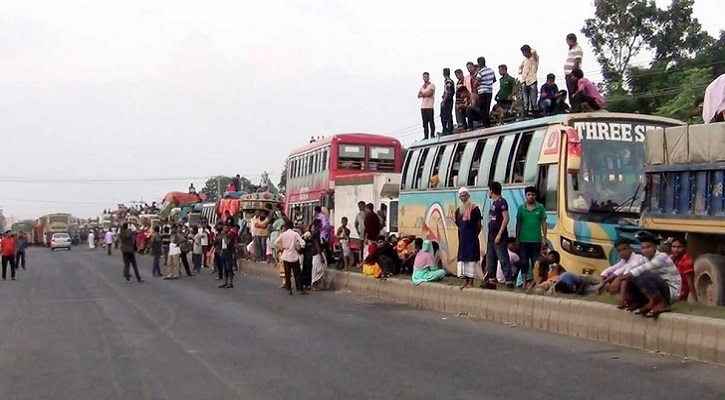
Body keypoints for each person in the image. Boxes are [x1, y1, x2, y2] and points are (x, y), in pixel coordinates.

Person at [610, 233, 681, 318]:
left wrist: (619, 279)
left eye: (648, 247)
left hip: (670, 291)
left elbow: (641, 269)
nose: (646, 250)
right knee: (631, 277)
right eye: (643, 248)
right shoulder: (644, 259)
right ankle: (636, 302)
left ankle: (662, 304)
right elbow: (628, 271)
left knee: (643, 274)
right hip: (659, 290)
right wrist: (622, 295)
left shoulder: (662, 257)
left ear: (655, 247)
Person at [516, 186, 547, 288]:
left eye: (533, 194)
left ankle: (534, 282)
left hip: (536, 240)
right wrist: (517, 239)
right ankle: (524, 282)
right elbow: (518, 224)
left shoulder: (540, 208)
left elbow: (543, 223)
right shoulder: (521, 208)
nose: (531, 197)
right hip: (523, 240)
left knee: (535, 263)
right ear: (525, 196)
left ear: (536, 196)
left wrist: (544, 238)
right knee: (524, 262)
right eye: (528, 194)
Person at [485, 182, 513, 289]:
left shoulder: (502, 202)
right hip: (491, 235)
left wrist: (500, 234)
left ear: (492, 190)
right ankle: (491, 280)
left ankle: (509, 280)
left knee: (502, 257)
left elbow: (506, 218)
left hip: (499, 236)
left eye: (489, 189)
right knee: (490, 258)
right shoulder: (493, 203)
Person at [454, 187, 482, 290]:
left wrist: (474, 234)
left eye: (465, 195)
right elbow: (458, 224)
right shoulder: (458, 212)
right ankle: (464, 281)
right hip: (462, 240)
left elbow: (479, 224)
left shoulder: (475, 209)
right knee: (463, 260)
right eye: (461, 196)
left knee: (471, 259)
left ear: (468, 196)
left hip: (472, 238)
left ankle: (471, 282)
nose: (463, 198)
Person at [274, 219, 307, 295]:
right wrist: (299, 248)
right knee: (297, 273)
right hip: (294, 256)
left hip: (285, 255)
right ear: (292, 226)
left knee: (287, 273)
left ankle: (288, 288)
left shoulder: (283, 234)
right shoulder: (295, 234)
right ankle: (300, 288)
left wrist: (282, 248)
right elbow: (303, 243)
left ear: (286, 226)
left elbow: (276, 243)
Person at [670, 237, 697, 302]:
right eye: (673, 247)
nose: (676, 249)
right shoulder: (671, 258)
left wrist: (695, 300)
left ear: (685, 248)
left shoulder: (686, 260)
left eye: (679, 247)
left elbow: (690, 282)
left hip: (681, 292)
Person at [474, 57, 496, 127]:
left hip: (482, 91)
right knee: (487, 107)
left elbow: (476, 83)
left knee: (482, 109)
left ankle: (485, 124)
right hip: (489, 91)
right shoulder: (491, 70)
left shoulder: (480, 72)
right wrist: (488, 82)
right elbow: (494, 80)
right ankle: (488, 123)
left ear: (479, 63)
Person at [518, 45, 540, 116]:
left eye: (525, 52)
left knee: (533, 101)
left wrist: (530, 50)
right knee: (525, 101)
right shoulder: (524, 60)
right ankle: (526, 114)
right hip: (524, 81)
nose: (524, 54)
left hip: (532, 80)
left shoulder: (534, 58)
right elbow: (519, 67)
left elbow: (535, 51)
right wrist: (521, 72)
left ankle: (535, 114)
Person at [564, 33, 583, 105]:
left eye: (567, 41)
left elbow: (577, 61)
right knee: (570, 91)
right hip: (568, 73)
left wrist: (574, 74)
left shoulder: (577, 48)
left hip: (572, 74)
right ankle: (573, 107)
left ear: (571, 40)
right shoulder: (572, 49)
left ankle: (576, 107)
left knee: (573, 91)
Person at [418, 71, 436, 139]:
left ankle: (432, 135)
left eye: (426, 77)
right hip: (423, 106)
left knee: (431, 121)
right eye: (424, 77)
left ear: (429, 77)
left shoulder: (431, 85)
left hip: (429, 106)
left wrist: (423, 94)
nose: (425, 78)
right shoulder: (422, 87)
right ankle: (425, 136)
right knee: (424, 123)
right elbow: (418, 95)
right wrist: (425, 94)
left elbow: (430, 93)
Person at [441, 68, 455, 135]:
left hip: (448, 100)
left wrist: (444, 101)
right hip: (449, 100)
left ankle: (448, 130)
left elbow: (448, 92)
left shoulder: (448, 81)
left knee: (446, 115)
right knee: (447, 115)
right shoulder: (448, 81)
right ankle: (448, 129)